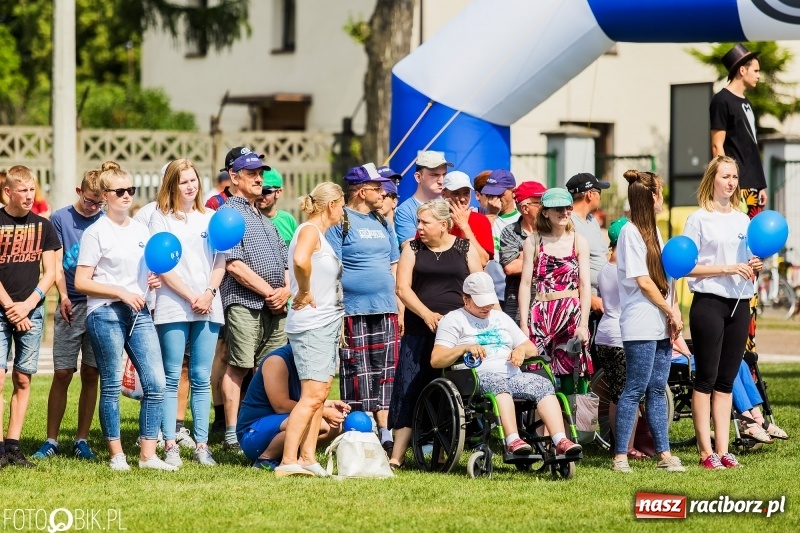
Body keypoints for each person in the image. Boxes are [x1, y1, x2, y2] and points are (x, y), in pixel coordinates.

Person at [74, 162, 173, 471]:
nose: (128, 195)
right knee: (112, 383)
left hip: (139, 310)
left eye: (131, 190)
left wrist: (151, 281)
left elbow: (143, 274)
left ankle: (147, 455)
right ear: (105, 195)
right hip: (105, 313)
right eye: (121, 191)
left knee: (156, 382)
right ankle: (117, 454)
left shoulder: (141, 230)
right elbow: (81, 282)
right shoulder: (96, 233)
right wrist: (119, 291)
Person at [431, 272, 582, 456]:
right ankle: (513, 440)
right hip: (475, 377)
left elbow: (531, 348)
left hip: (512, 374)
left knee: (543, 385)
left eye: (488, 300)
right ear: (465, 299)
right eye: (480, 302)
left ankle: (560, 440)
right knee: (499, 386)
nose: (486, 306)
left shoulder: (500, 318)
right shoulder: (453, 320)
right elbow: (436, 359)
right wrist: (464, 348)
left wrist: (520, 351)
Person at [388, 199, 482, 469]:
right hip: (420, 330)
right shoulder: (412, 249)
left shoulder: (464, 248)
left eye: (425, 222)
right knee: (409, 389)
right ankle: (397, 456)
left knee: (452, 393)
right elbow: (402, 289)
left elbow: (479, 285)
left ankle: (442, 453)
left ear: (443, 225)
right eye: (418, 222)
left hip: (456, 334)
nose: (419, 227)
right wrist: (427, 314)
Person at [683, 156, 762, 469]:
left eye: (734, 177)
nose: (731, 182)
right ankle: (706, 453)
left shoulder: (744, 220)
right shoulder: (698, 219)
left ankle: (724, 450)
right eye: (726, 176)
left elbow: (752, 257)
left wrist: (757, 264)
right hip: (708, 303)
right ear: (712, 180)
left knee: (726, 381)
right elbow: (687, 267)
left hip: (740, 303)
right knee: (706, 378)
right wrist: (726, 268)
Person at [150, 158, 226, 467]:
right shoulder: (160, 219)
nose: (190, 186)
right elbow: (162, 265)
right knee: (171, 377)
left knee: (200, 376)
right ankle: (170, 443)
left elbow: (220, 260)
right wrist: (190, 295)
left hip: (209, 303)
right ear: (172, 185)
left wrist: (208, 294)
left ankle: (202, 445)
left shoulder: (210, 218)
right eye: (183, 181)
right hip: (173, 305)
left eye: (193, 180)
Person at [611, 170, 685, 474]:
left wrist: (674, 310)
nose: (663, 198)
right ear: (650, 196)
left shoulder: (655, 230)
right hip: (641, 322)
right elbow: (642, 280)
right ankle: (620, 456)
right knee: (635, 388)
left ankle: (664, 454)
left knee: (657, 388)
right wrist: (668, 310)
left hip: (660, 322)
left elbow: (668, 275)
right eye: (661, 193)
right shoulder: (630, 232)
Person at [32, 168, 105, 462]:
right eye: (89, 201)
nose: (93, 208)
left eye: (99, 203)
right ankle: (51, 439)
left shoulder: (105, 218)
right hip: (70, 303)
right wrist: (63, 295)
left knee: (91, 372)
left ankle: (82, 439)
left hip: (99, 304)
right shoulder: (61, 218)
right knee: (62, 372)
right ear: (79, 192)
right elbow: (57, 263)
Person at [219, 151, 289, 452]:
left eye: (260, 172)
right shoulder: (228, 215)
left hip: (276, 306)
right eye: (251, 173)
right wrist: (270, 293)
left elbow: (285, 262)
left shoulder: (265, 218)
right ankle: (232, 434)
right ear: (234, 178)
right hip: (245, 302)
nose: (259, 178)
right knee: (239, 366)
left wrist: (285, 290)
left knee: (273, 368)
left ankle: (268, 428)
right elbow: (233, 265)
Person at [327, 164, 399, 455]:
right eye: (377, 187)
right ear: (361, 191)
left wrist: (399, 306)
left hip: (386, 308)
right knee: (358, 371)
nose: (384, 192)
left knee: (385, 372)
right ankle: (359, 432)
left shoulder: (383, 222)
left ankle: (385, 433)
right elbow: (330, 266)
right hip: (352, 310)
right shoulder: (340, 221)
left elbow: (393, 264)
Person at [277, 182, 345, 477]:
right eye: (342, 206)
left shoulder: (321, 235)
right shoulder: (309, 231)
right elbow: (300, 261)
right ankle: (288, 460)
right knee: (312, 396)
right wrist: (304, 290)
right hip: (312, 325)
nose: (343, 212)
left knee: (319, 394)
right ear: (331, 206)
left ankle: (307, 456)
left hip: (326, 324)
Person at [0, 166, 61, 468]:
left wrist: (28, 305)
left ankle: (13, 446)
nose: (28, 195)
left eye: (31, 189)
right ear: (7, 192)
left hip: (31, 312)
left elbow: (51, 272)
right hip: (3, 311)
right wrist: (12, 307)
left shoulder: (43, 226)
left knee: (23, 378)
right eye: (22, 190)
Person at [711, 43, 766, 355]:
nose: (759, 75)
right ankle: (740, 348)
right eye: (755, 69)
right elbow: (718, 147)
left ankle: (749, 345)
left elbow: (749, 147)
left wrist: (759, 183)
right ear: (742, 69)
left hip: (753, 188)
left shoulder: (746, 103)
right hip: (740, 189)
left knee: (755, 262)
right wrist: (733, 185)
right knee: (743, 258)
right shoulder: (722, 100)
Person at [518, 188, 591, 380]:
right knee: (536, 375)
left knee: (571, 376)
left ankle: (570, 411)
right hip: (541, 315)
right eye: (558, 208)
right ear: (545, 212)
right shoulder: (533, 242)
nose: (564, 212)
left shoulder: (579, 241)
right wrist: (524, 324)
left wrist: (583, 324)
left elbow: (585, 286)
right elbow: (525, 284)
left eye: (568, 207)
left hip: (571, 315)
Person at [239, 345, 350, 471]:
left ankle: (299, 457)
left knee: (335, 427)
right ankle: (265, 459)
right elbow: (280, 406)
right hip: (252, 434)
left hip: (279, 424)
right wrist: (324, 412)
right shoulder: (277, 361)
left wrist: (329, 404)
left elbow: (305, 400)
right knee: (318, 423)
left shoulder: (307, 363)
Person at [594, 217, 649, 459]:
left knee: (617, 393)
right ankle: (625, 447)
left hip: (605, 334)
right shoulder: (624, 270)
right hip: (621, 335)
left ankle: (621, 444)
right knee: (628, 394)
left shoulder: (605, 267)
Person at [499, 180, 547, 323]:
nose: (545, 207)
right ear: (525, 208)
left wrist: (523, 256)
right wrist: (545, 256)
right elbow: (510, 267)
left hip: (548, 308)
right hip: (518, 312)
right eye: (539, 203)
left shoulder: (553, 230)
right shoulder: (510, 232)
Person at [566, 172, 611, 316]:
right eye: (599, 192)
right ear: (590, 194)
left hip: (603, 302)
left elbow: (604, 255)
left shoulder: (591, 221)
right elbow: (566, 269)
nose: (600, 196)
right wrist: (590, 299)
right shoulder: (568, 223)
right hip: (582, 306)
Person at [394, 150, 451, 246]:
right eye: (434, 175)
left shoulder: (451, 205)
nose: (441, 181)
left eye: (444, 175)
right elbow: (410, 249)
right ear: (418, 177)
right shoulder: (405, 210)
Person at [482, 170, 520, 310]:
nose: (494, 199)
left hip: (511, 293)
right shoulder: (480, 215)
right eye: (490, 194)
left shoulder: (521, 220)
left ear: (513, 192)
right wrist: (491, 215)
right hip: (485, 292)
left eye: (500, 194)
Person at [442, 171, 493, 266]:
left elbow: (482, 261)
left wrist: (464, 227)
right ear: (443, 194)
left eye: (466, 193)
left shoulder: (481, 220)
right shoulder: (433, 218)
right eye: (456, 193)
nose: (462, 199)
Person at [256, 167, 297, 246]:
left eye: (265, 191)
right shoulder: (249, 220)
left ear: (278, 192)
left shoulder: (288, 220)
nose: (260, 196)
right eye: (258, 190)